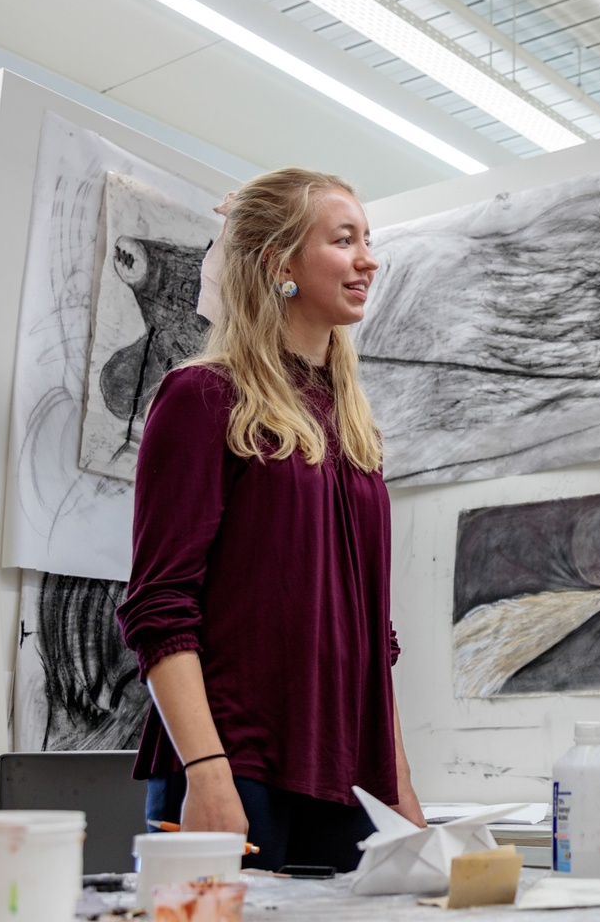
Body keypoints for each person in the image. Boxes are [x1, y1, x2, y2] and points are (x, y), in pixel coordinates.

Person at [116, 168, 424, 873]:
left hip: (346, 775)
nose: (368, 259)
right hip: (232, 769)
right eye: (344, 240)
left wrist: (399, 784)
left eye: (367, 240)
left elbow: (372, 638)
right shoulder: (201, 398)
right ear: (280, 263)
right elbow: (159, 607)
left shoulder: (352, 429)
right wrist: (207, 773)